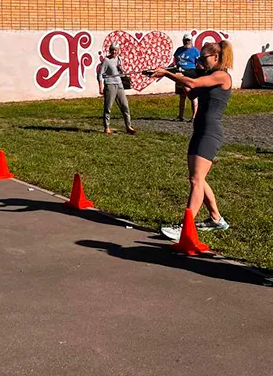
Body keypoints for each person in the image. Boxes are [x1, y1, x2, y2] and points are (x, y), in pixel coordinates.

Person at [151, 40, 234, 237]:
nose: (199, 61)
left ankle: (185, 227)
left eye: (203, 58)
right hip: (199, 129)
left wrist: (168, 73)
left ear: (216, 57)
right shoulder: (209, 76)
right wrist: (173, 77)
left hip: (210, 132)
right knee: (197, 178)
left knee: (197, 179)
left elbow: (194, 83)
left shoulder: (221, 76)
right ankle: (216, 218)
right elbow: (191, 92)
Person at [97, 43, 136, 135]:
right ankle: (106, 127)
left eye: (116, 50)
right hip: (110, 85)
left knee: (125, 106)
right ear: (110, 50)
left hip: (119, 84)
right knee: (108, 107)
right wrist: (101, 86)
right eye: (113, 50)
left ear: (118, 51)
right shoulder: (106, 60)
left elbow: (119, 71)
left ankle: (128, 126)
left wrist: (122, 72)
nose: (114, 52)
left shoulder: (119, 59)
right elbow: (99, 74)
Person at [172, 34, 201, 122]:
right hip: (180, 74)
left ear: (191, 41)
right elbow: (175, 60)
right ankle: (180, 116)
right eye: (185, 40)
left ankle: (194, 116)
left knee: (193, 95)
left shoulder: (195, 51)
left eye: (188, 40)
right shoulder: (179, 50)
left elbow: (198, 63)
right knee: (182, 95)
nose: (187, 42)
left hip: (190, 73)